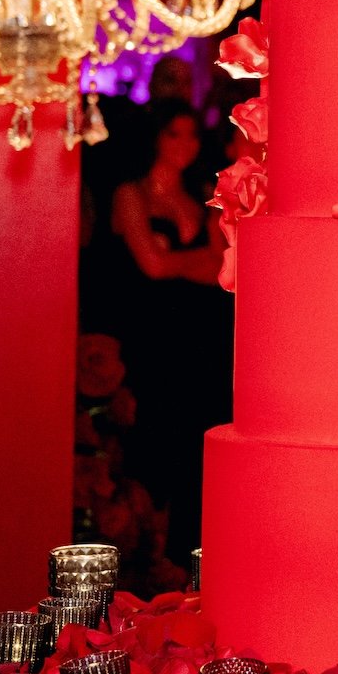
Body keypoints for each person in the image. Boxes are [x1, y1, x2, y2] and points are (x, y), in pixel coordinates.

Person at [105, 99, 231, 563]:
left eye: (192, 135)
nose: (184, 145)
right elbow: (152, 266)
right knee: (154, 436)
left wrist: (191, 263)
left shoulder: (200, 194)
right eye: (174, 133)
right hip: (151, 333)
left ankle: (185, 554)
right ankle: (146, 554)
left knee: (197, 436)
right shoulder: (130, 193)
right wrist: (191, 263)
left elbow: (224, 265)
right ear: (156, 136)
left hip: (200, 333)